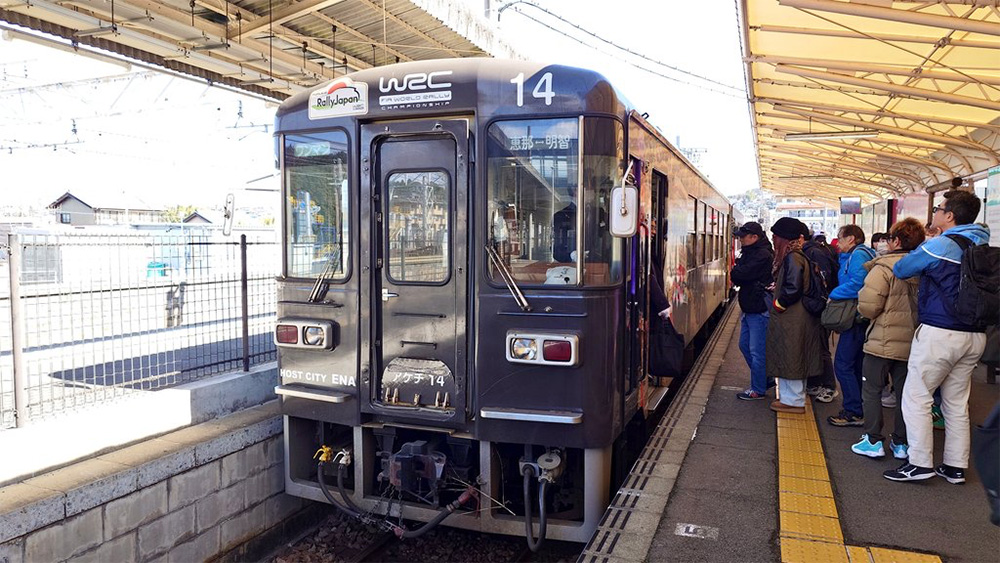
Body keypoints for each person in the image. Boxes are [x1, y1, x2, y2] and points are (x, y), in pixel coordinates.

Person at [884, 190, 990, 483]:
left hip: (941, 332)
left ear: (949, 216)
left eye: (938, 209)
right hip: (975, 335)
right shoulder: (983, 244)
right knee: (955, 402)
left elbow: (902, 268)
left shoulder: (941, 245)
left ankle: (919, 463)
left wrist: (927, 244)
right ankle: (955, 466)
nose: (935, 214)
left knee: (917, 396)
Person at [851, 218, 925, 460]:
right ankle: (901, 444)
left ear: (896, 241)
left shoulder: (883, 268)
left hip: (881, 342)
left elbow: (868, 307)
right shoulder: (924, 267)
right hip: (913, 342)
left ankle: (873, 440)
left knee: (872, 390)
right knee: (905, 394)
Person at [765, 217, 824, 414]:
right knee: (793, 355)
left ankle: (793, 401)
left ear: (783, 238)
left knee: (791, 356)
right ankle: (791, 398)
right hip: (797, 316)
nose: (773, 239)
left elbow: (793, 287)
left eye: (775, 236)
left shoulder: (793, 258)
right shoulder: (798, 256)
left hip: (793, 317)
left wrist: (779, 304)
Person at [827, 224, 877, 427]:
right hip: (860, 316)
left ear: (851, 239)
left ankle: (853, 410)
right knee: (855, 364)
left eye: (840, 238)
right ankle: (859, 407)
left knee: (843, 364)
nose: (838, 243)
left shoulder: (858, 255)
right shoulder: (861, 254)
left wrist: (834, 295)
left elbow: (858, 283)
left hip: (855, 317)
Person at [730, 221, 774, 400]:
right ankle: (764, 378)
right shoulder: (751, 252)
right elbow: (738, 275)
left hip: (758, 307)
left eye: (743, 237)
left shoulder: (762, 255)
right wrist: (737, 272)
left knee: (757, 351)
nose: (740, 239)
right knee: (744, 345)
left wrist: (737, 271)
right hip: (749, 306)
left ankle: (758, 389)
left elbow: (739, 274)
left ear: (754, 237)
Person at [803, 232, 840, 403]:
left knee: (821, 347)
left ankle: (829, 386)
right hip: (817, 306)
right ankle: (815, 382)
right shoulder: (813, 251)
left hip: (820, 308)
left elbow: (825, 280)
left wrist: (817, 300)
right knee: (814, 346)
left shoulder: (814, 253)